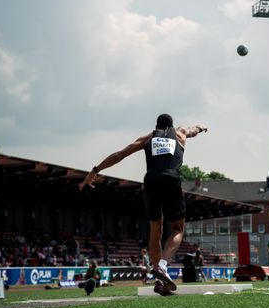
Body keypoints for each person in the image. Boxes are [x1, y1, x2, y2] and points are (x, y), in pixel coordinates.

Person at [79, 113, 208, 296]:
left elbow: (120, 154)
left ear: (156, 126)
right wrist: (201, 127)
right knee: (178, 228)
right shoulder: (180, 133)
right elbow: (193, 130)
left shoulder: (147, 138)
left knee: (156, 229)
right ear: (172, 126)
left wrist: (95, 170)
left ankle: (158, 279)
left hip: (151, 181)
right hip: (171, 179)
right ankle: (162, 267)